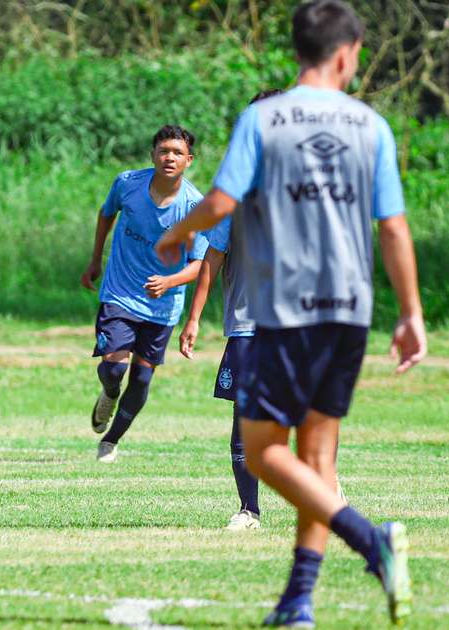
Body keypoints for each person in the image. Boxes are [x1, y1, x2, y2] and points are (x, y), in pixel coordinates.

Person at [156, 1, 425, 625]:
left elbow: (221, 201)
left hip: (284, 311)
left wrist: (179, 234)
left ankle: (370, 540)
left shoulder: (264, 119)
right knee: (318, 460)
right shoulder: (370, 125)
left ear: (299, 50)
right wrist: (410, 311)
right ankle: (298, 601)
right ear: (348, 52)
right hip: (348, 311)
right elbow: (392, 227)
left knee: (260, 451)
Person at [179, 89, 283, 531]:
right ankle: (249, 510)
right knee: (245, 423)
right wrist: (194, 318)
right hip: (247, 325)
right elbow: (213, 256)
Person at [80, 125, 208, 463]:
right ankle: (109, 393)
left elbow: (201, 264)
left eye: (177, 153)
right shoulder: (127, 183)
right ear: (153, 155)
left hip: (162, 305)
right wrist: (95, 260)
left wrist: (170, 282)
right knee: (114, 370)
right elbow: (106, 214)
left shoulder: (194, 207)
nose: (169, 157)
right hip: (120, 292)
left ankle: (110, 441)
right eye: (164, 151)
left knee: (141, 377)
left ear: (189, 160)